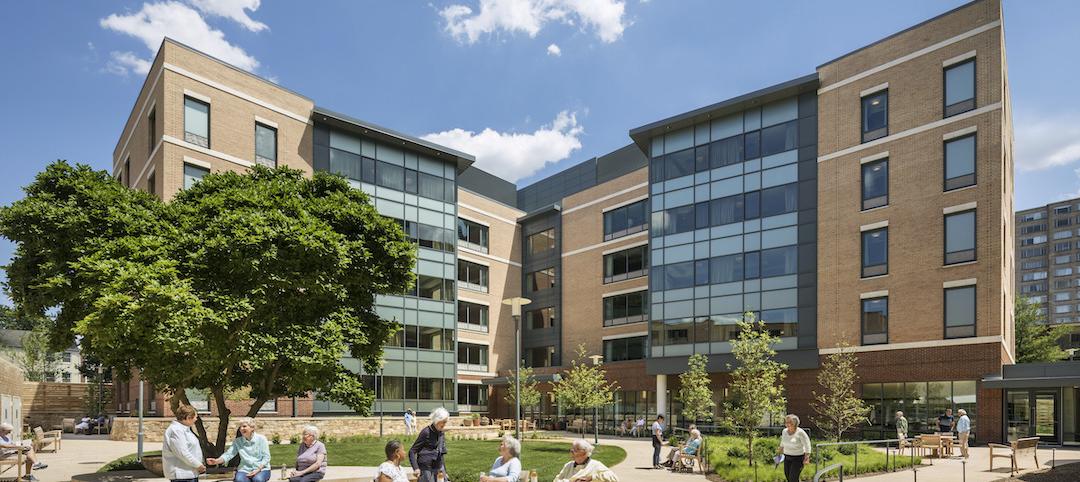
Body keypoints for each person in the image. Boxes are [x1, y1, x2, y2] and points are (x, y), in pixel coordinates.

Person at [206, 418, 271, 482]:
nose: (242, 429)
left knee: (257, 479)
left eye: (244, 426)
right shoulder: (238, 441)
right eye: (240, 427)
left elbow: (266, 457)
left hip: (262, 469)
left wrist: (258, 470)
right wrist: (216, 461)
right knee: (239, 480)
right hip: (244, 469)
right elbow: (229, 454)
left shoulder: (262, 439)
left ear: (252, 428)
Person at [163, 405, 206, 482]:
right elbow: (182, 453)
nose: (196, 419)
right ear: (188, 417)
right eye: (195, 417)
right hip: (182, 475)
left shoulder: (184, 429)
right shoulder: (176, 430)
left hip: (190, 473)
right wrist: (198, 465)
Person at [410, 407, 449, 482]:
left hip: (439, 468)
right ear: (437, 420)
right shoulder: (426, 432)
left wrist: (445, 472)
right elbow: (412, 451)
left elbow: (441, 454)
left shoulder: (441, 433)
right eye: (443, 422)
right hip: (426, 469)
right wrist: (416, 468)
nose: (445, 424)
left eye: (445, 422)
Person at [553, 439, 618, 482]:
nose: (572, 451)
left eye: (576, 449)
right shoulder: (568, 465)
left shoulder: (595, 465)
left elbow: (614, 478)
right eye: (572, 449)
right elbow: (556, 480)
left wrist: (591, 478)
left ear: (585, 452)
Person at [776, 414, 811, 482]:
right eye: (786, 422)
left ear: (795, 423)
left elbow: (807, 445)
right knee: (788, 477)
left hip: (798, 458)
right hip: (787, 457)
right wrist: (780, 451)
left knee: (793, 478)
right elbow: (783, 442)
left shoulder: (800, 432)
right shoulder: (784, 431)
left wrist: (807, 457)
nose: (787, 424)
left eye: (790, 422)